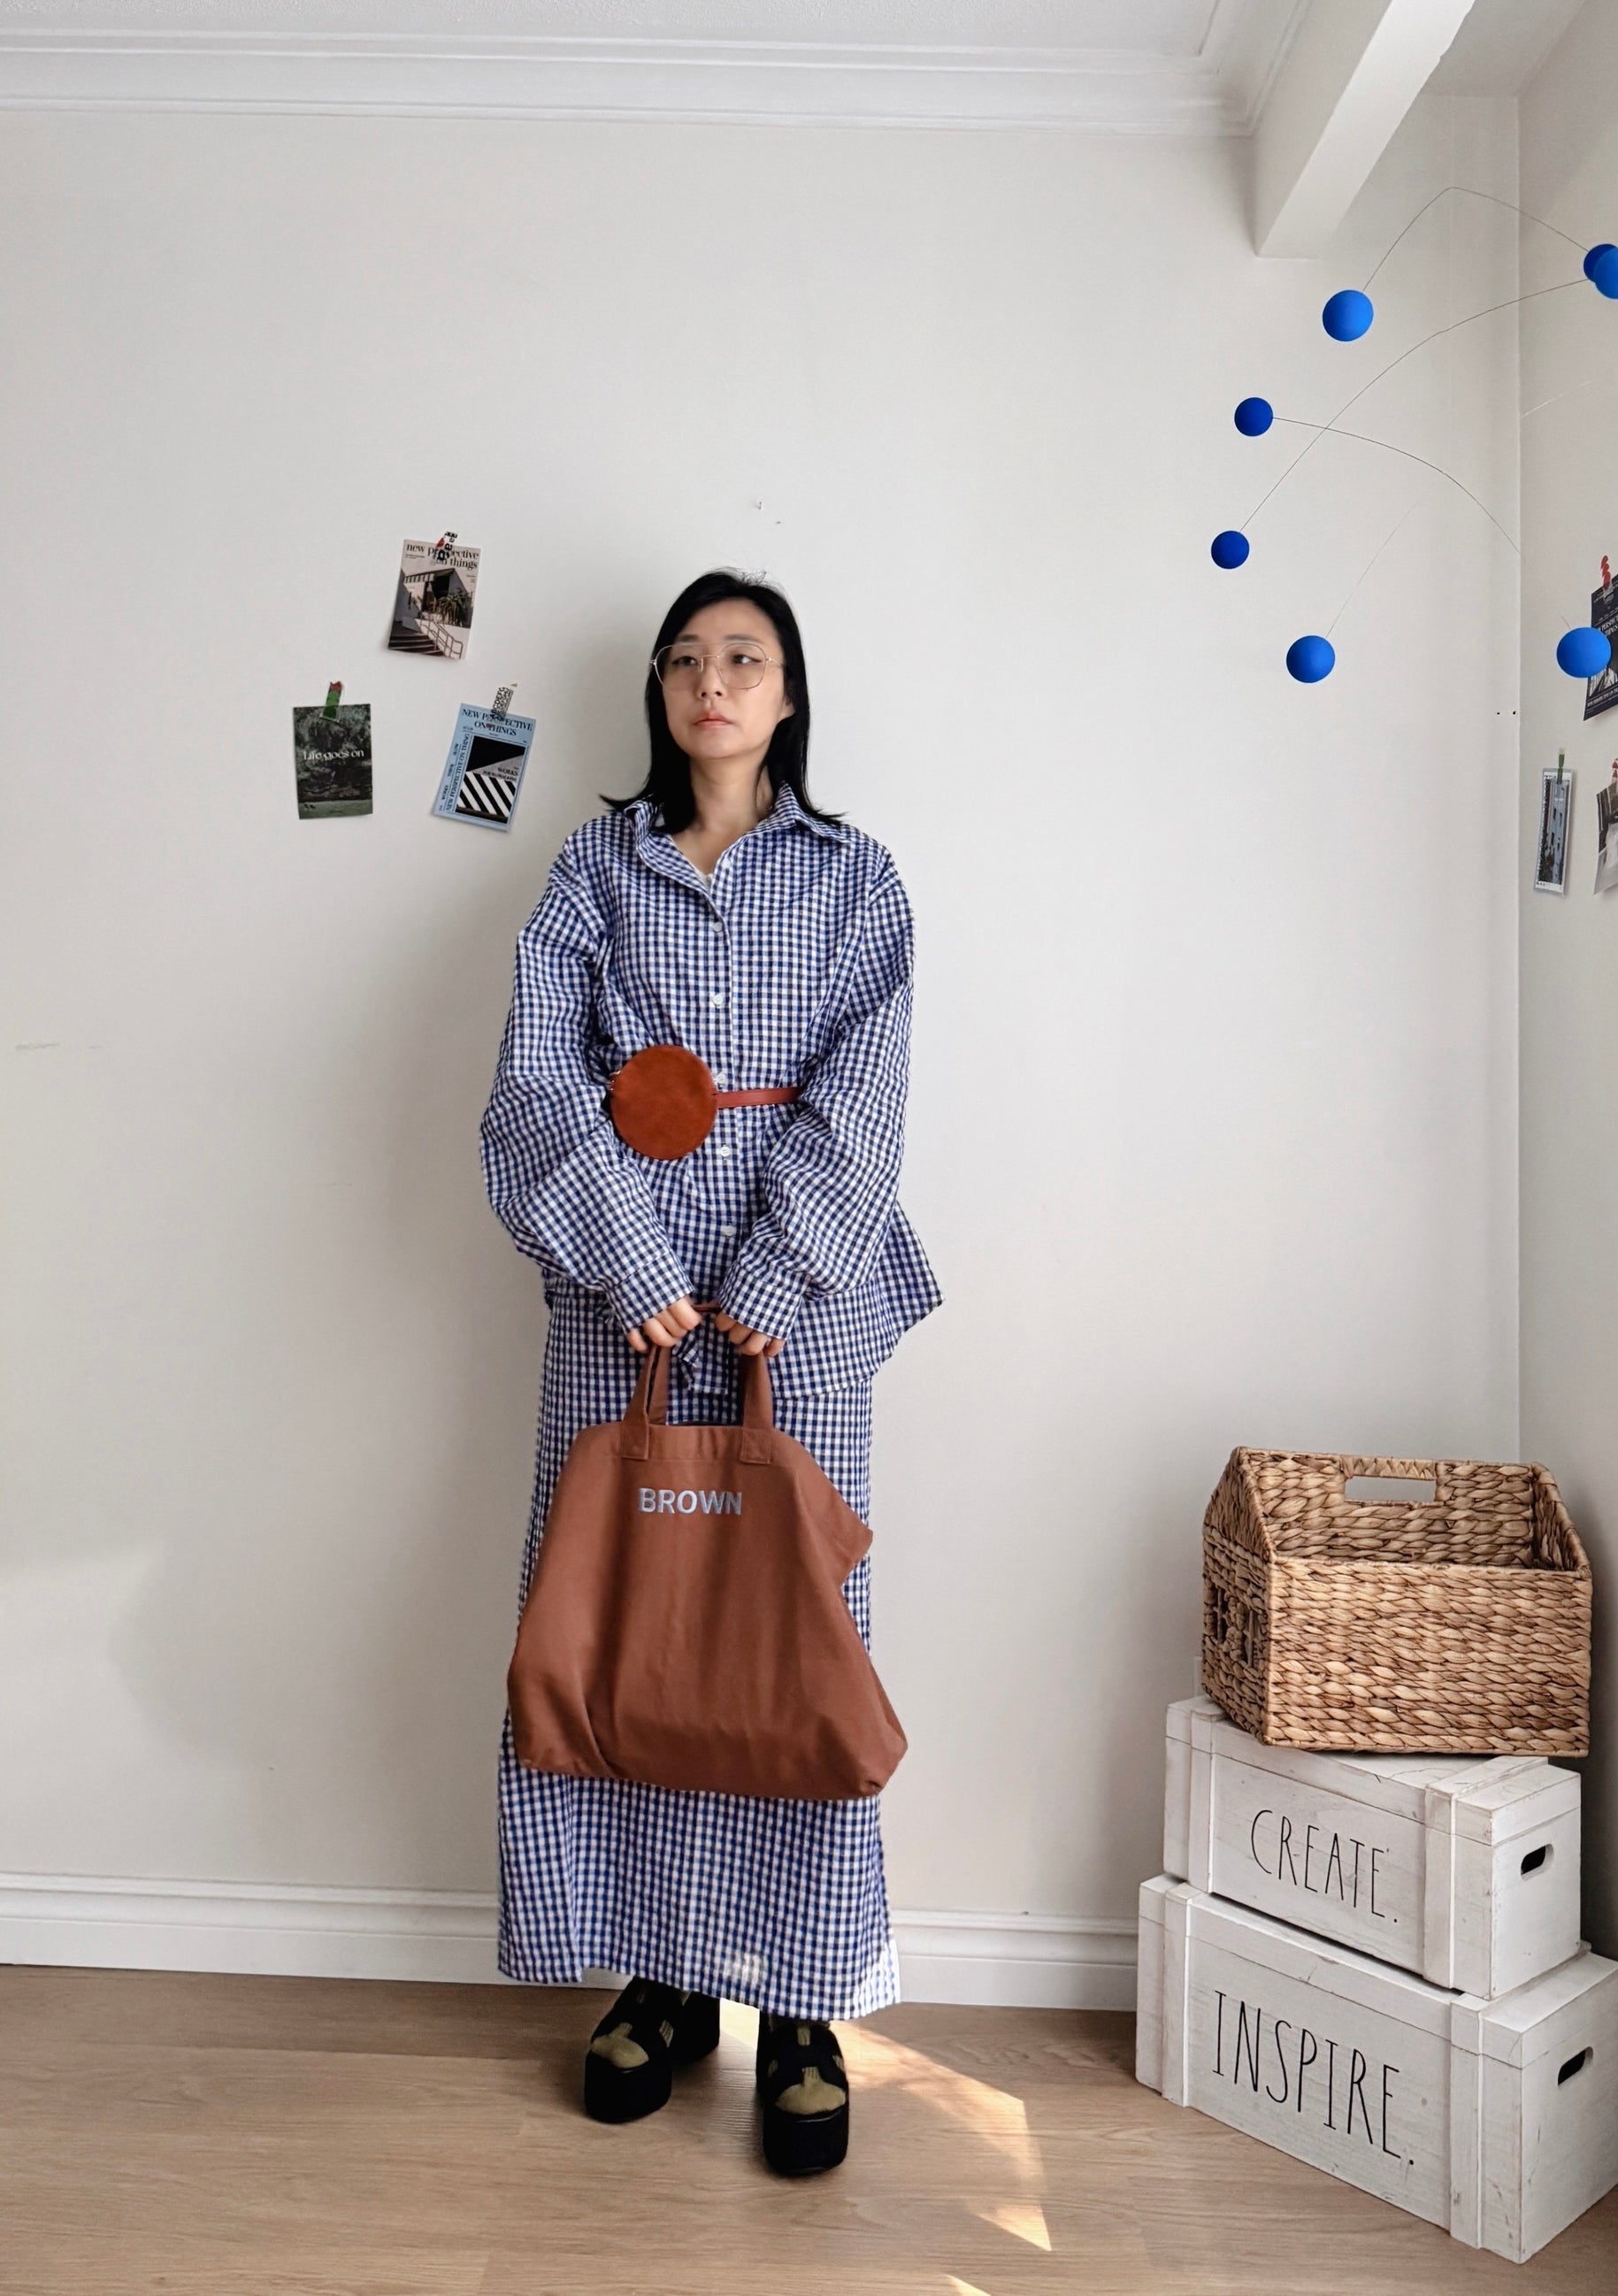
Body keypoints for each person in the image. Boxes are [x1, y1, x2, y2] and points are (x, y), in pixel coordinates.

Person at [479, 569, 940, 2176]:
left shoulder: (857, 879)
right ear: (662, 695)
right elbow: (536, 1084)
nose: (711, 682)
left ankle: (803, 2003)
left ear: (787, 692)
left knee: (790, 1635)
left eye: (742, 657)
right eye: (685, 660)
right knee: (626, 1619)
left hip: (794, 1311)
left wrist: (769, 1272)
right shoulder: (589, 869)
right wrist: (631, 1260)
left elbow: (868, 1092)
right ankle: (655, 1973)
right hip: (617, 1306)